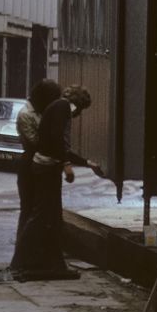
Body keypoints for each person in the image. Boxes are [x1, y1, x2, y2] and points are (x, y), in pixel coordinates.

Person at [10, 85, 94, 281]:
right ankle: (21, 260)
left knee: (52, 217)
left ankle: (52, 263)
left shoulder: (57, 107)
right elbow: (57, 139)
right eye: (81, 109)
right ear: (78, 104)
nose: (79, 115)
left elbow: (58, 142)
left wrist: (86, 162)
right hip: (47, 167)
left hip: (46, 166)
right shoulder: (63, 108)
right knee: (42, 215)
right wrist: (66, 164)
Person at [10, 78, 61, 272]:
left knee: (36, 211)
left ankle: (34, 256)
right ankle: (21, 255)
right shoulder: (26, 114)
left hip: (38, 162)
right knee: (29, 209)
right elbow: (35, 142)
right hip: (30, 164)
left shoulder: (41, 112)